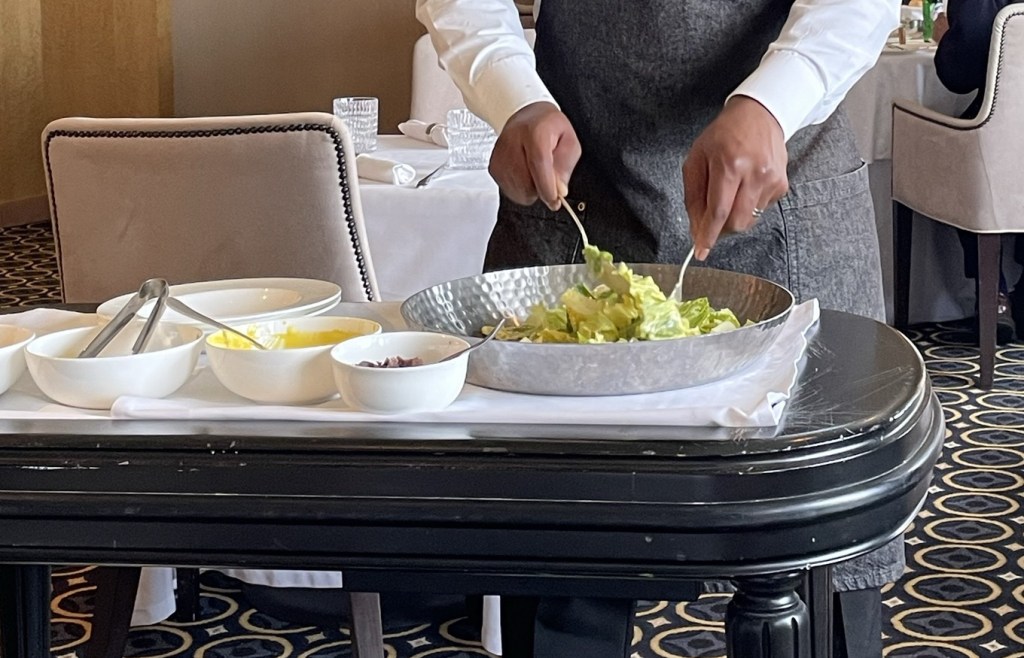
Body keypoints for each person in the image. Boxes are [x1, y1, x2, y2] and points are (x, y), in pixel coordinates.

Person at [417, 0, 902, 656]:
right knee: (561, 556)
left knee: (818, 568)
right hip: (575, 187)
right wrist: (511, 94)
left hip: (785, 185)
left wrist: (773, 100)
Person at [934, 0, 1024, 342]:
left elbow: (960, 74)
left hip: (1003, 143)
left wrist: (945, 41)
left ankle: (995, 296)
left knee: (966, 143)